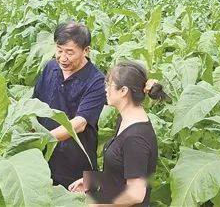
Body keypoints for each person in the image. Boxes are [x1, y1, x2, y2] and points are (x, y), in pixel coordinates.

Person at [68, 61, 168, 206]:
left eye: (109, 85)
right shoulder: (125, 120)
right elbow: (122, 170)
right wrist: (92, 181)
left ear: (123, 91)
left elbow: (135, 194)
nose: (106, 89)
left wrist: (97, 203)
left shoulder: (136, 138)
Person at [33, 21, 106, 188]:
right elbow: (35, 105)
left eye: (70, 53)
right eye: (59, 50)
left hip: (74, 165)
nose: (62, 58)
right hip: (44, 160)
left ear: (85, 51)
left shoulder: (95, 81)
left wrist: (43, 139)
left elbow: (80, 123)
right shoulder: (50, 67)